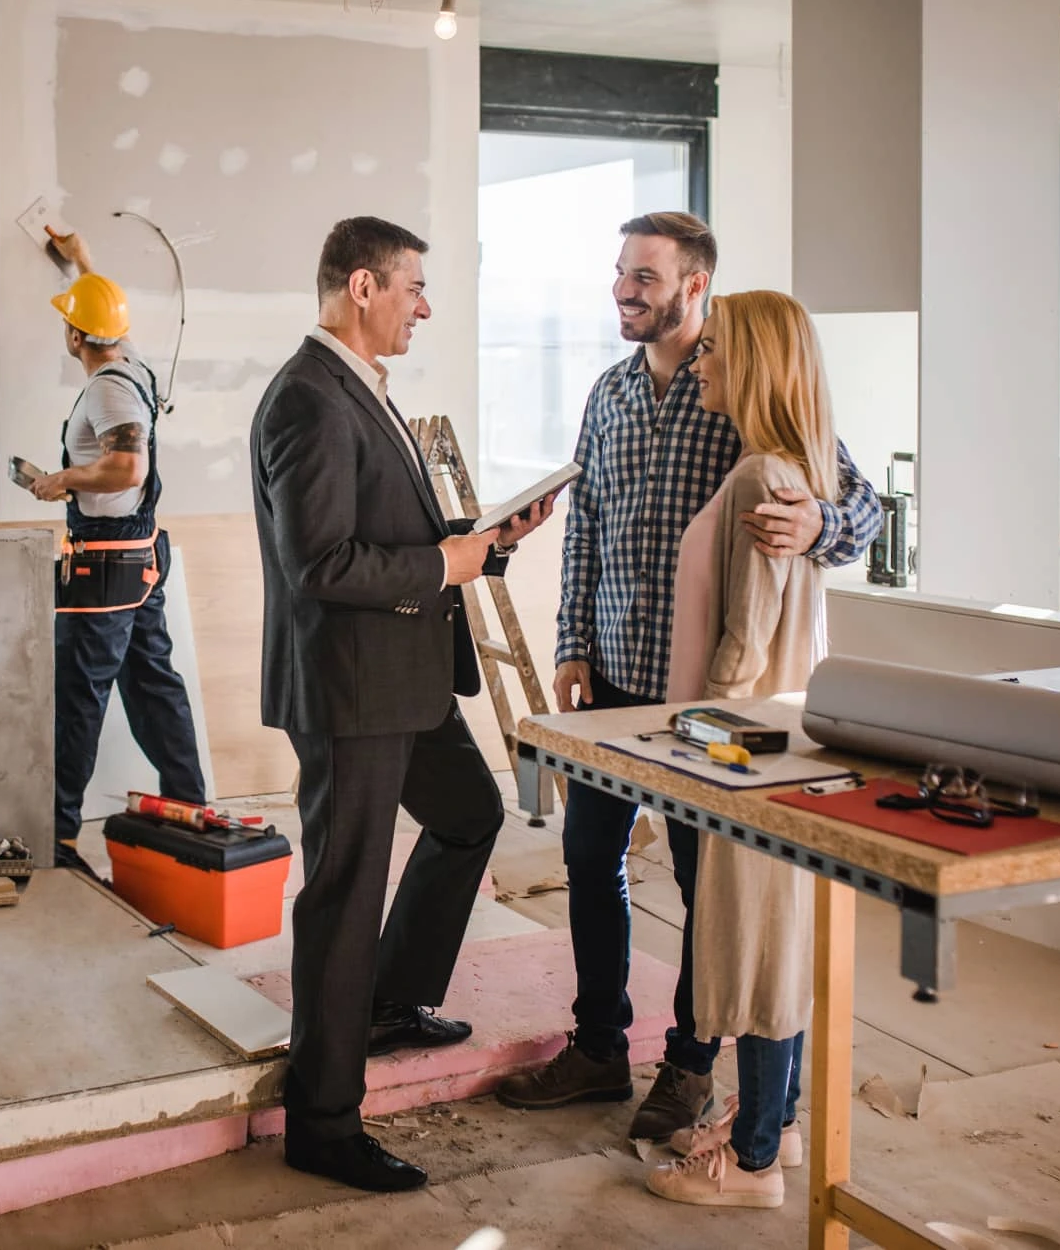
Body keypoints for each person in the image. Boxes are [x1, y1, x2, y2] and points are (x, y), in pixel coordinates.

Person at [495, 213, 881, 1143]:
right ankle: (597, 1047)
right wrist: (571, 643)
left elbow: (858, 502)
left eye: (645, 277)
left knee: (710, 888)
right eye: (620, 273)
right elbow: (584, 526)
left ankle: (690, 1064)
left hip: (706, 701)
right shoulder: (608, 393)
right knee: (592, 859)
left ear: (695, 286)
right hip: (615, 680)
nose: (625, 291)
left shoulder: (741, 383)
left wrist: (818, 530)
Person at [251, 216, 555, 1193]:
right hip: (352, 690)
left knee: (471, 816)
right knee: (345, 894)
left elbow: (387, 535)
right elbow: (321, 561)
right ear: (361, 287)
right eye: (414, 287)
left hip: (405, 677)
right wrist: (445, 562)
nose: (425, 306)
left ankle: (392, 999)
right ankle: (323, 1121)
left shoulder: (359, 393)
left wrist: (487, 539)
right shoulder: (309, 398)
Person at [644, 289, 832, 1207]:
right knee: (773, 939)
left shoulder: (765, 477)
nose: (701, 362)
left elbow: (743, 649)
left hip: (742, 752)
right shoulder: (784, 468)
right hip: (773, 746)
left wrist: (688, 751)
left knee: (753, 946)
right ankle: (776, 1126)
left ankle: (751, 1160)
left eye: (714, 349)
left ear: (753, 362)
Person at [30, 229, 206, 869]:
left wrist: (62, 479)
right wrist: (82, 260)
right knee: (153, 685)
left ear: (75, 336)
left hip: (105, 562)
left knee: (77, 698)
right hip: (141, 557)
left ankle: (58, 836)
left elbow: (127, 468)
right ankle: (191, 807)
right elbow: (105, 317)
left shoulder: (106, 387)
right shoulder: (131, 361)